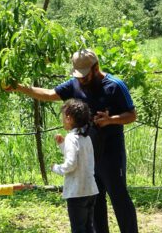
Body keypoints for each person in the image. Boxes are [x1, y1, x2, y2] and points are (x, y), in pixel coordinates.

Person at [6, 49, 138, 233]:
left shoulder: (115, 86)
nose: (81, 80)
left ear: (96, 67)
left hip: (111, 154)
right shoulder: (75, 84)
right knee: (95, 201)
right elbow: (50, 94)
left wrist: (110, 120)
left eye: (84, 75)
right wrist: (19, 87)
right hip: (87, 156)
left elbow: (132, 115)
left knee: (119, 198)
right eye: (78, 75)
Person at [51, 99, 99, 233]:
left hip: (77, 192)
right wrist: (62, 145)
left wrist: (56, 168)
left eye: (63, 117)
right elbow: (81, 158)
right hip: (90, 190)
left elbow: (71, 164)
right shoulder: (85, 137)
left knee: (78, 229)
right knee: (89, 227)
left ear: (68, 118)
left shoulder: (72, 138)